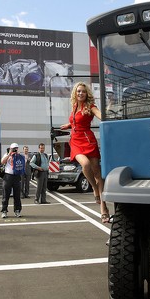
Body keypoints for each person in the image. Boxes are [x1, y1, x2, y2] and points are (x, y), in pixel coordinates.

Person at [60, 82, 110, 223]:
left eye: (83, 91)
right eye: (78, 91)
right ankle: (94, 188)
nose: (80, 93)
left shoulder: (91, 106)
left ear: (86, 93)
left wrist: (108, 112)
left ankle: (104, 208)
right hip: (75, 141)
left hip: (88, 140)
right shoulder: (74, 106)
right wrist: (69, 125)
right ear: (75, 94)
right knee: (85, 164)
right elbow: (77, 120)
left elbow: (101, 116)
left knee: (98, 175)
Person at [0, 143, 25, 218]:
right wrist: (9, 154)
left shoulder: (19, 156)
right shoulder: (6, 154)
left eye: (16, 148)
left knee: (17, 195)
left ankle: (17, 210)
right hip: (8, 176)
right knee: (6, 195)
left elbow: (24, 163)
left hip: (16, 176)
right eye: (13, 148)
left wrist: (18, 155)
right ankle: (4, 211)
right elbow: (2, 162)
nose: (15, 149)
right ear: (10, 148)